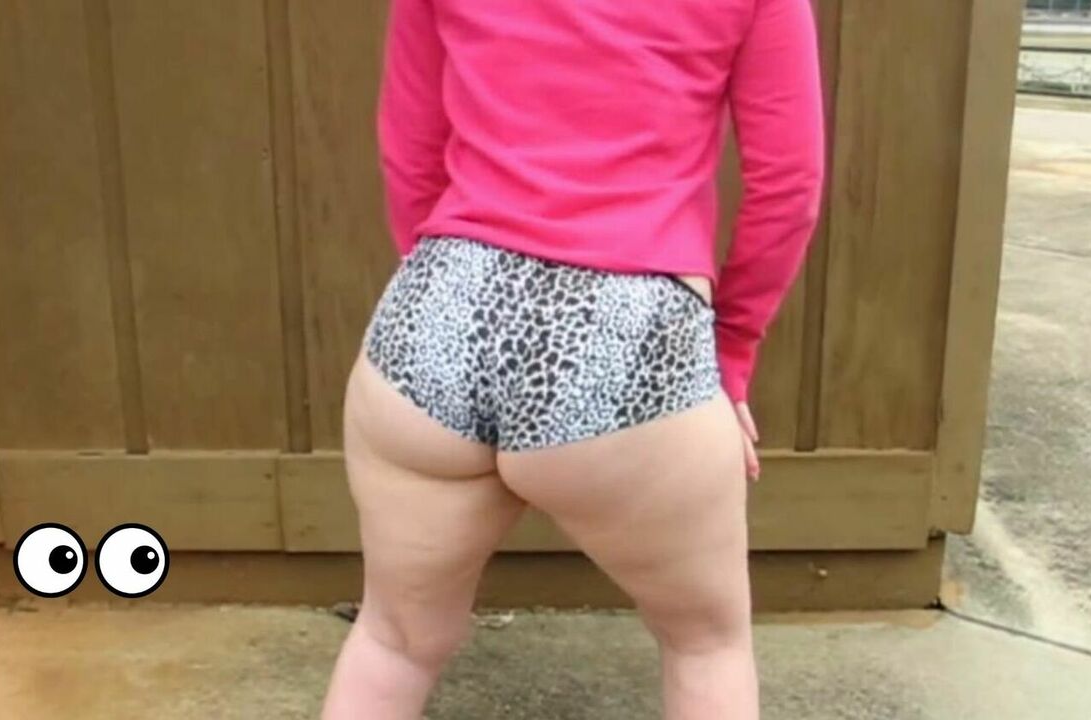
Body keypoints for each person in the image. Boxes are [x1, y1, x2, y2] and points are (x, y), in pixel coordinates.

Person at [322, 0, 825, 717]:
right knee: (705, 645)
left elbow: (410, 149)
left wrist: (455, 307)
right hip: (626, 334)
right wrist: (731, 352)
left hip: (441, 310)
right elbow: (788, 186)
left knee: (393, 641)